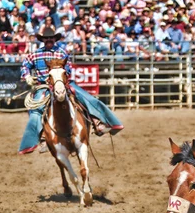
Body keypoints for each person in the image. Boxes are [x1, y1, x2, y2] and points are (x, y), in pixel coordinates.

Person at [18, 27, 123, 155]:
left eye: (51, 38)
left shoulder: (62, 53)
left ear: (54, 39)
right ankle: (42, 138)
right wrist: (27, 76)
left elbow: (68, 69)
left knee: (86, 97)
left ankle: (97, 121)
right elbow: (25, 65)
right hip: (44, 86)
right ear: (43, 40)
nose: (49, 40)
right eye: (46, 38)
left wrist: (60, 78)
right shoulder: (35, 54)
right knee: (36, 109)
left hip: (62, 83)